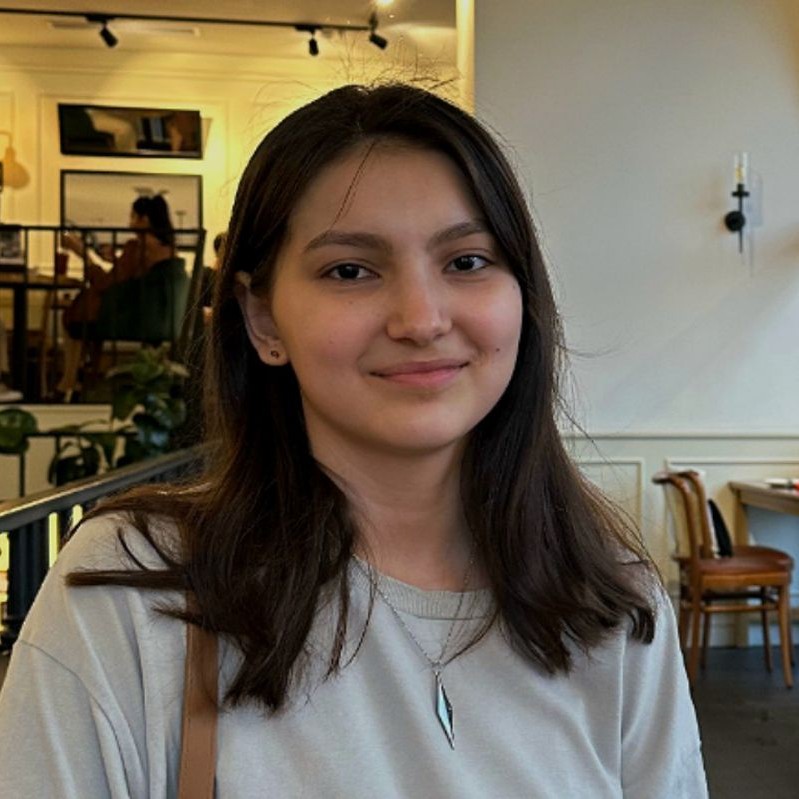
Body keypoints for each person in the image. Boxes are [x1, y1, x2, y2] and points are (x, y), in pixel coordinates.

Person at [0, 84, 708, 797]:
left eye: (466, 261)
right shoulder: (134, 591)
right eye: (350, 270)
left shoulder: (612, 605)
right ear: (262, 319)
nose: (421, 319)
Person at [55, 194, 175, 398]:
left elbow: (105, 284)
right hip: (152, 316)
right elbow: (131, 278)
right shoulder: (166, 249)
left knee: (76, 318)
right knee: (82, 316)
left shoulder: (137, 246)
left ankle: (69, 381)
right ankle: (78, 379)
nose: (129, 221)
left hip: (124, 318)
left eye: (132, 216)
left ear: (144, 219)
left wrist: (83, 254)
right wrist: (115, 261)